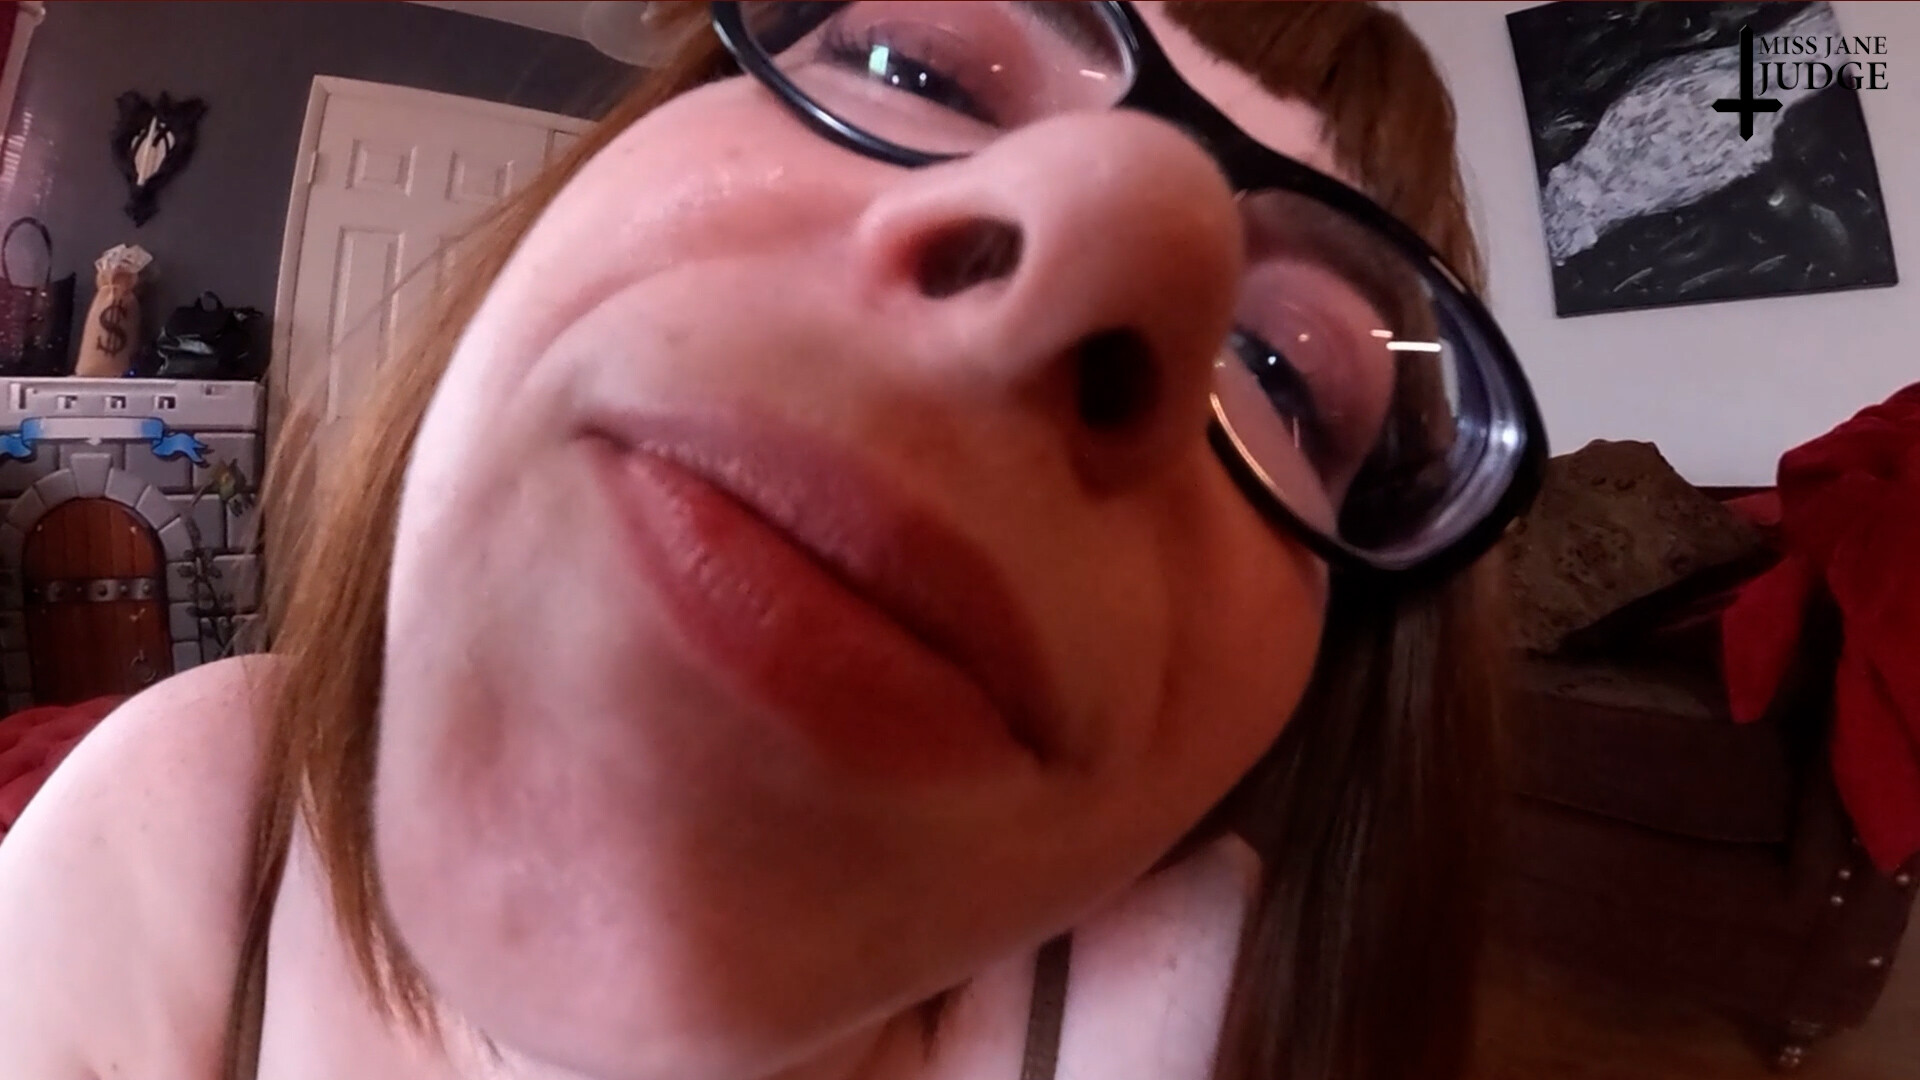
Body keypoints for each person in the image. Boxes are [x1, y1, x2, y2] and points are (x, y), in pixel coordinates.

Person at [0, 3, 1546, 1080]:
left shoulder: (1202, 1015)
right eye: (914, 64)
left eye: (1285, 374)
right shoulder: (164, 829)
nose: (1095, 242)